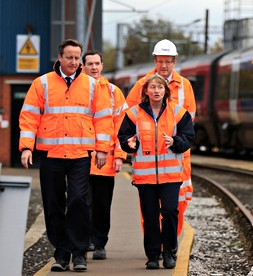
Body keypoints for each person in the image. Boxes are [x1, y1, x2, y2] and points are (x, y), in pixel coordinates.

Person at [19, 39, 113, 271]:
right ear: (59, 58)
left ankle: (79, 253)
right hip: (51, 154)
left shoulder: (91, 85)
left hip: (80, 155)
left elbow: (103, 119)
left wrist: (102, 149)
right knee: (53, 205)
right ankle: (61, 254)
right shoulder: (41, 84)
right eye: (69, 57)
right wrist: (27, 147)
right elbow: (30, 117)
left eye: (76, 58)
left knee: (79, 201)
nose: (73, 62)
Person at [118, 74, 194, 270]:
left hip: (171, 176)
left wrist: (176, 142)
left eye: (160, 88)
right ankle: (152, 255)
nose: (156, 91)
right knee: (150, 216)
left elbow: (189, 137)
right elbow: (124, 136)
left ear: (166, 91)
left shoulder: (178, 113)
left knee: (169, 211)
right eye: (153, 87)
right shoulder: (134, 114)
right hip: (145, 176)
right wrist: (129, 143)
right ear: (146, 91)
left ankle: (169, 252)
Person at [126, 39, 196, 237]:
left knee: (177, 203)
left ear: (175, 62)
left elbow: (189, 121)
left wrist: (179, 143)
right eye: (160, 61)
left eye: (168, 61)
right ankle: (154, 247)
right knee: (149, 208)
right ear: (154, 60)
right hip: (148, 159)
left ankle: (170, 245)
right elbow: (128, 118)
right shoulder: (142, 85)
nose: (164, 66)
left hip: (178, 158)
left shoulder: (185, 86)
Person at [82, 50, 128, 260]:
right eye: (89, 63)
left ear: (102, 66)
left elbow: (121, 126)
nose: (93, 67)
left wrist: (119, 155)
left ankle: (99, 243)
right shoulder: (76, 90)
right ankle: (85, 240)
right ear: (83, 67)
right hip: (80, 158)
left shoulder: (113, 92)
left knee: (101, 204)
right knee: (81, 203)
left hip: (105, 161)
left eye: (97, 63)